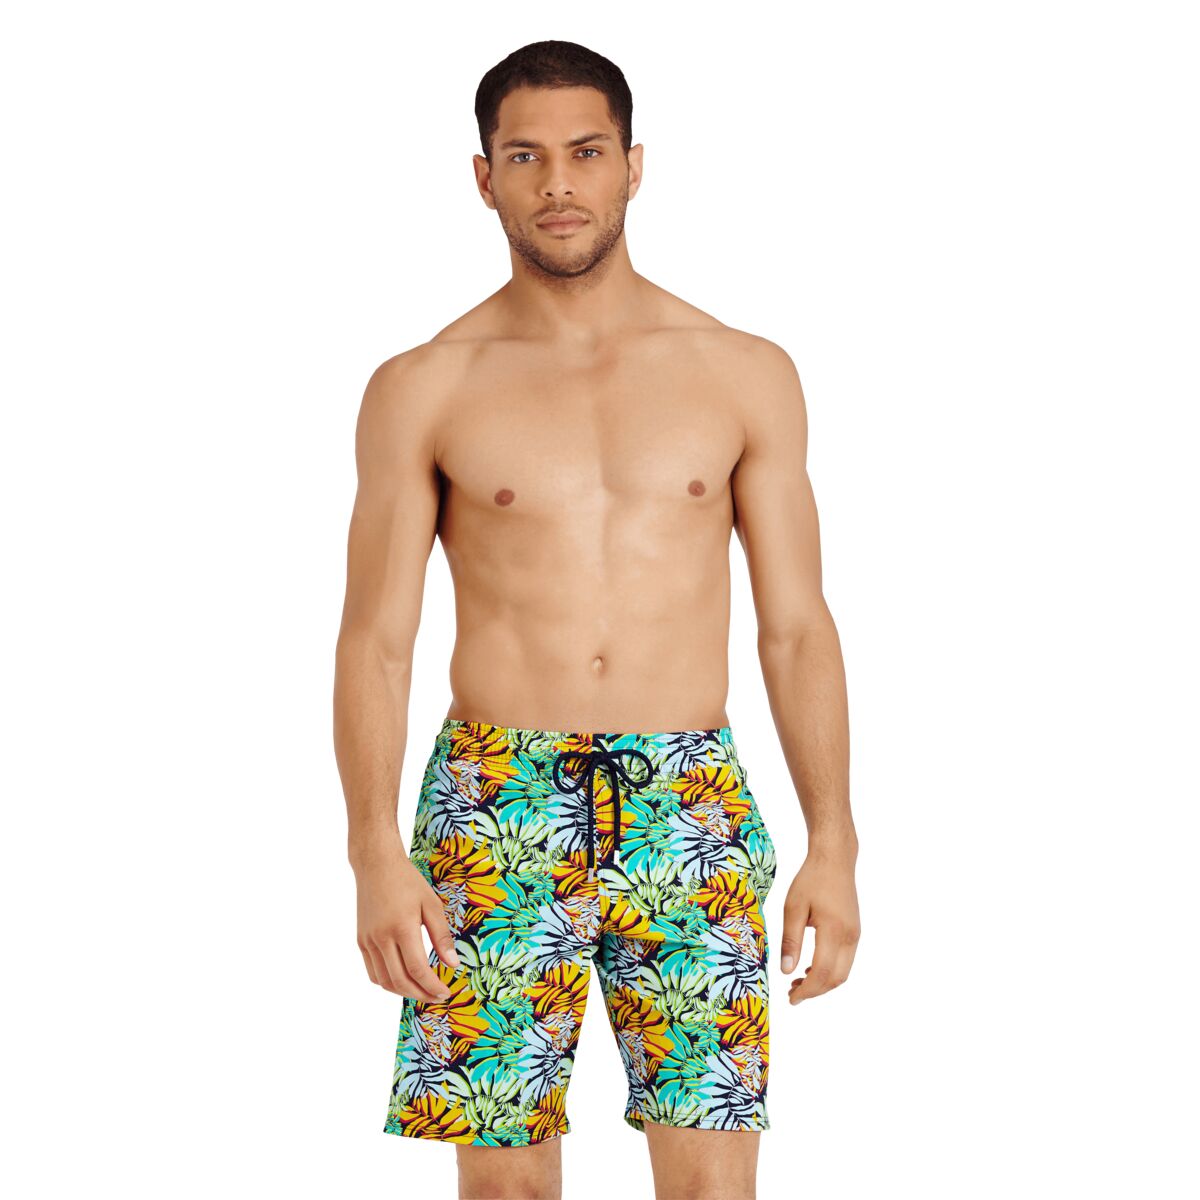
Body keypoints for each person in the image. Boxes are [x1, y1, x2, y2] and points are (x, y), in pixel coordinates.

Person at [332, 38, 860, 1200]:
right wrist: (372, 849)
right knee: (507, 1187)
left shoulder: (742, 372)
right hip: (494, 802)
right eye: (525, 157)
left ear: (633, 166)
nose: (558, 183)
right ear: (485, 178)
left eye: (585, 152)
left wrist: (836, 841)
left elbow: (796, 627)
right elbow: (375, 639)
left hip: (690, 798)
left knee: (712, 1181)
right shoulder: (424, 385)